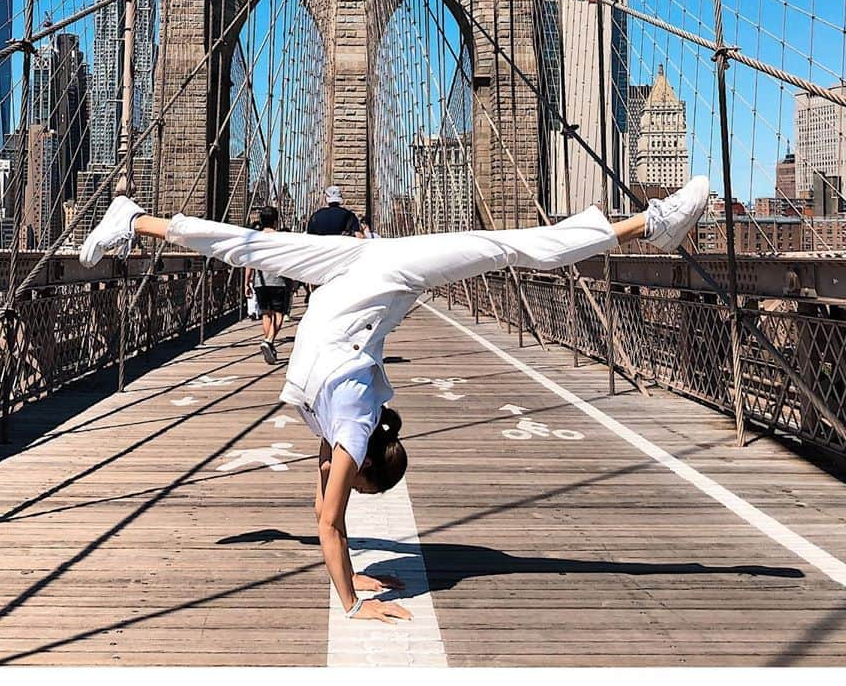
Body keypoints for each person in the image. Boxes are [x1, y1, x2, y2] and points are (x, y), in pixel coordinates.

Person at [79, 175, 710, 624]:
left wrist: (352, 598)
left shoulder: (352, 426)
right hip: (354, 272)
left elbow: (328, 520)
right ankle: (131, 219)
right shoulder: (327, 423)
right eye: (361, 482)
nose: (346, 482)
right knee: (249, 243)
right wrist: (341, 576)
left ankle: (652, 225)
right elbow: (328, 515)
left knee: (505, 247)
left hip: (372, 270)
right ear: (365, 464)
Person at [244, 205, 290, 364]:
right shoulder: (282, 238)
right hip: (278, 280)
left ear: (261, 221)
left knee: (265, 313)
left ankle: (268, 342)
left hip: (260, 281)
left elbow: (250, 262)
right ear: (276, 221)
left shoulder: (254, 238)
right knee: (279, 314)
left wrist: (247, 282)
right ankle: (269, 340)